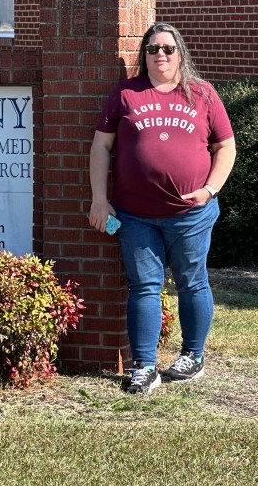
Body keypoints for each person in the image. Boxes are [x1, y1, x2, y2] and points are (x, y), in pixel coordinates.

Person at [88, 22, 236, 395]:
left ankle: (192, 356)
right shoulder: (126, 93)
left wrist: (209, 191)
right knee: (143, 286)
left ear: (180, 52)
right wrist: (99, 199)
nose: (161, 55)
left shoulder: (202, 93)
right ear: (145, 55)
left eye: (168, 48)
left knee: (192, 282)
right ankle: (144, 366)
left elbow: (226, 146)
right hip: (135, 215)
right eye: (153, 49)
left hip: (191, 215)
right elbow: (101, 147)